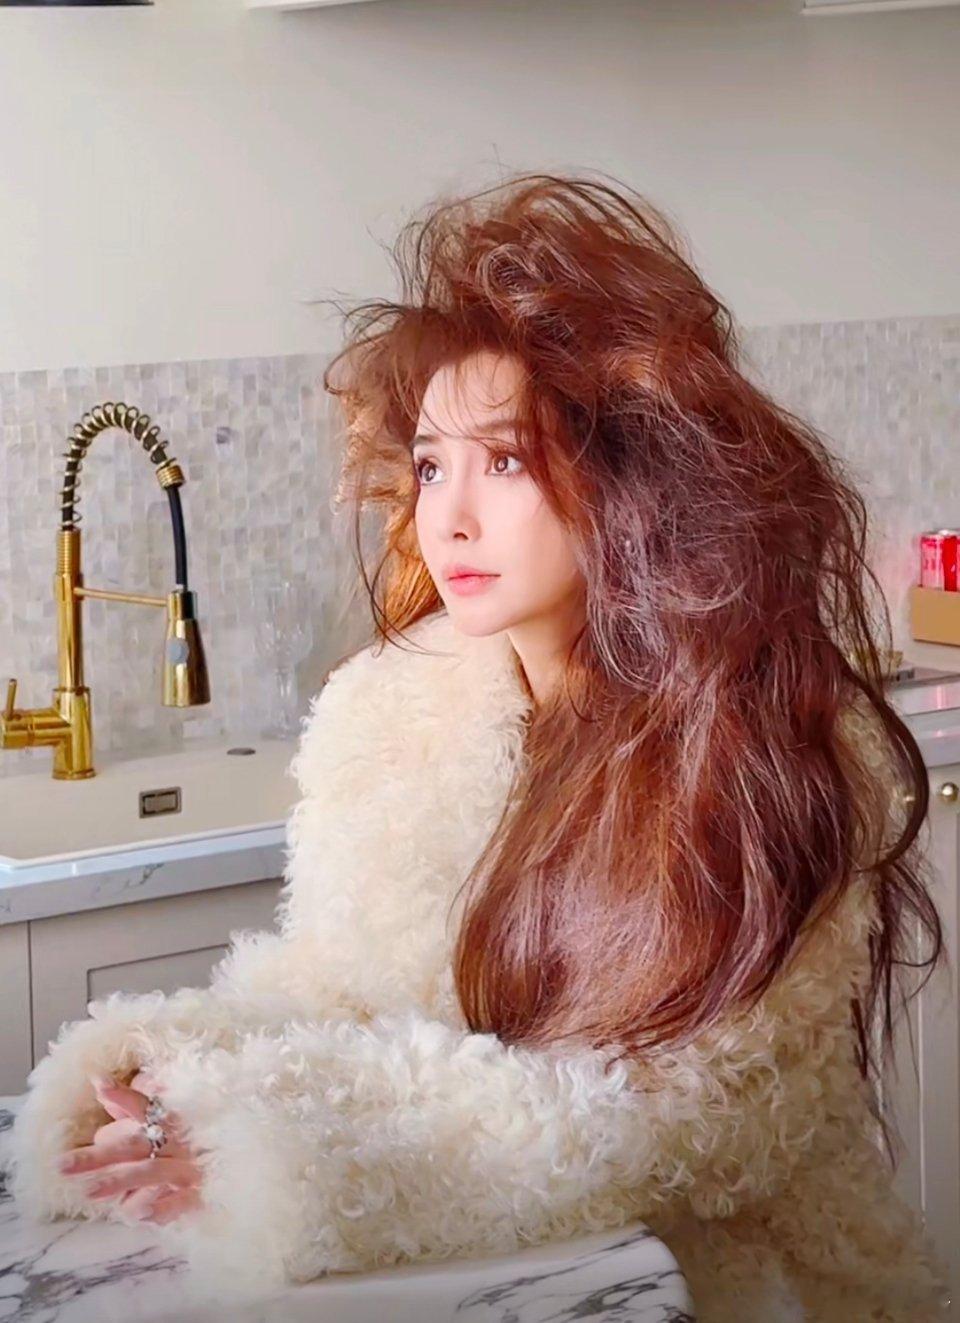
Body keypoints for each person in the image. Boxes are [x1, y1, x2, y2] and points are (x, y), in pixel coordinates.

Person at [2, 172, 951, 1321]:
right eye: (431, 463)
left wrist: (306, 1153)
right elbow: (333, 987)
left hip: (736, 1289)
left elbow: (674, 1119)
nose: (447, 516)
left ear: (629, 477)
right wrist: (172, 1076)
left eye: (504, 461)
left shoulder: (772, 743)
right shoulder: (392, 715)